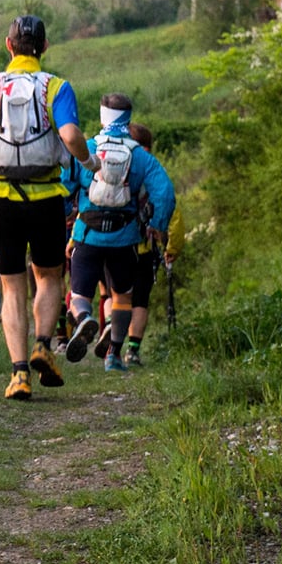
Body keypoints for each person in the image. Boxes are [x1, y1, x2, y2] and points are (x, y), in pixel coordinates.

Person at [0, 16, 100, 401]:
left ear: (8, 45)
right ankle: (42, 346)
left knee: (11, 284)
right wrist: (89, 162)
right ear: (45, 47)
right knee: (49, 277)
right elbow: (70, 135)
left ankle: (19, 373)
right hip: (46, 196)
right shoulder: (57, 87)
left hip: (1, 198)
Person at [62, 100, 177, 371]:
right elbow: (165, 193)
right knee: (123, 296)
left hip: (87, 234)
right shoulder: (141, 156)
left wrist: (66, 212)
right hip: (125, 238)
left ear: (103, 116)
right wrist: (157, 225)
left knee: (79, 293)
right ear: (128, 117)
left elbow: (64, 184)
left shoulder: (87, 148)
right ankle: (113, 355)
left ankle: (84, 319)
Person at [121, 122, 181, 366]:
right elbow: (173, 212)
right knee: (140, 299)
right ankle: (132, 350)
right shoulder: (155, 172)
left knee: (116, 294)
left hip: (116, 243)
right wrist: (171, 248)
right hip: (145, 246)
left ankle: (112, 342)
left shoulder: (116, 165)